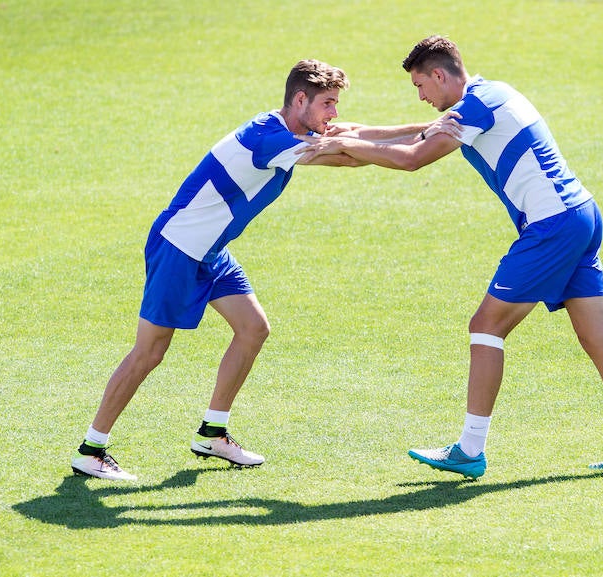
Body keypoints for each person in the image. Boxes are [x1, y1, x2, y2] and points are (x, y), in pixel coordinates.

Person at [72, 59, 453, 481]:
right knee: (150, 352)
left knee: (253, 328)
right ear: (300, 99)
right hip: (179, 248)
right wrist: (430, 139)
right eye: (328, 103)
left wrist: (427, 128)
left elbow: (351, 135)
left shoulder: (288, 126)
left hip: (211, 251)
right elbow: (346, 156)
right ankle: (92, 448)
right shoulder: (269, 140)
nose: (334, 114)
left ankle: (212, 433)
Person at [300, 36, 603, 479]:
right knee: (596, 338)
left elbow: (413, 158)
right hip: (581, 215)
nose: (421, 96)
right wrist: (351, 133)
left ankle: (469, 450)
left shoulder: (476, 107)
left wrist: (335, 147)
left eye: (420, 85)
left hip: (552, 226)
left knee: (486, 326)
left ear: (439, 74)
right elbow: (418, 132)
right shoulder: (493, 93)